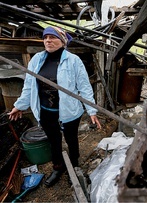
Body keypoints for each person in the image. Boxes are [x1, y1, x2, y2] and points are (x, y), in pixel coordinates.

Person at [8, 26, 102, 187]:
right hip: (46, 111)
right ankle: (58, 168)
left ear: (62, 41)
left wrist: (91, 110)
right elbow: (29, 86)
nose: (48, 41)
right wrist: (20, 105)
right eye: (45, 38)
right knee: (54, 140)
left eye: (52, 37)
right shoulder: (37, 59)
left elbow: (84, 87)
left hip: (70, 111)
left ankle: (75, 166)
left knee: (71, 140)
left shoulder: (73, 61)